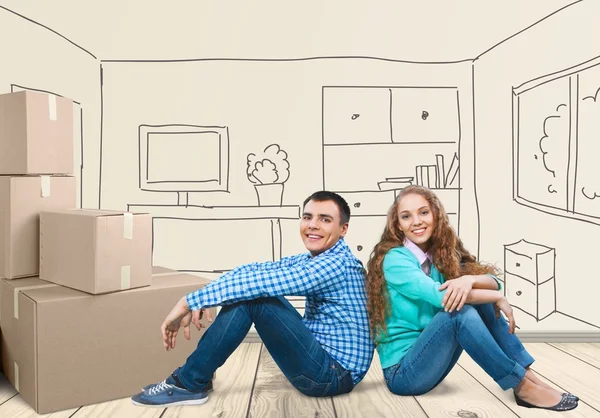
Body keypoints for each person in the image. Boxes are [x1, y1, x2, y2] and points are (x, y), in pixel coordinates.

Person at [131, 191, 375, 407]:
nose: (312, 225)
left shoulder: (334, 265)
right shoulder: (317, 259)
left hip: (330, 377)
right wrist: (204, 297)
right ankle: (194, 378)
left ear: (343, 229)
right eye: (307, 217)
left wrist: (187, 302)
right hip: (323, 362)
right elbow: (255, 271)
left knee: (254, 297)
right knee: (250, 289)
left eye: (325, 219)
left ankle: (189, 382)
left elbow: (260, 284)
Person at [365, 185, 578, 412]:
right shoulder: (395, 259)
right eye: (406, 216)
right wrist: (495, 296)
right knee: (460, 312)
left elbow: (493, 281)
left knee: (477, 301)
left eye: (423, 212)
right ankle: (521, 386)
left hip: (429, 361)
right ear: (398, 226)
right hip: (403, 373)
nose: (416, 221)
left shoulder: (440, 253)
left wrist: (468, 281)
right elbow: (442, 297)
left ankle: (527, 375)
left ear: (435, 215)